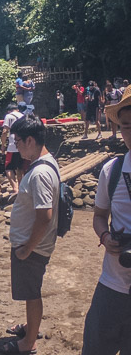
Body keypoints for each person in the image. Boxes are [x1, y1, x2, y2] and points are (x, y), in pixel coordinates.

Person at [81, 88, 131, 355]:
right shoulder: (111, 171)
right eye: (126, 126)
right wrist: (105, 237)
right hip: (113, 285)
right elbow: (99, 216)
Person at [4, 115, 59, 355]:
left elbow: (44, 215)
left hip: (33, 247)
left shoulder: (39, 173)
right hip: (33, 244)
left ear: (30, 140)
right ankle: (30, 326)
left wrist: (27, 248)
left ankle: (29, 343)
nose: (16, 146)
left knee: (32, 292)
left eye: (17, 141)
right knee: (29, 291)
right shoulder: (45, 163)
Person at [1, 103, 26, 194]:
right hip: (23, 145)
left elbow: (5, 131)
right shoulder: (23, 116)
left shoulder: (9, 116)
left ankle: (15, 188)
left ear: (8, 111)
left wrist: (3, 145)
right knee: (20, 167)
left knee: (8, 167)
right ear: (17, 109)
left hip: (12, 146)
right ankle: (21, 187)